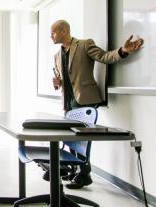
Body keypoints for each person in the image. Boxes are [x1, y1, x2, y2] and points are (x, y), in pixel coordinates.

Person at [50, 20, 144, 189]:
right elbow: (62, 80)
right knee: (71, 138)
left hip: (85, 100)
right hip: (68, 103)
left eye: (53, 32)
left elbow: (104, 57)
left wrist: (123, 51)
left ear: (64, 31)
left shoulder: (84, 45)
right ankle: (76, 169)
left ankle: (84, 173)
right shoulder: (57, 56)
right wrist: (56, 82)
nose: (51, 36)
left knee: (82, 139)